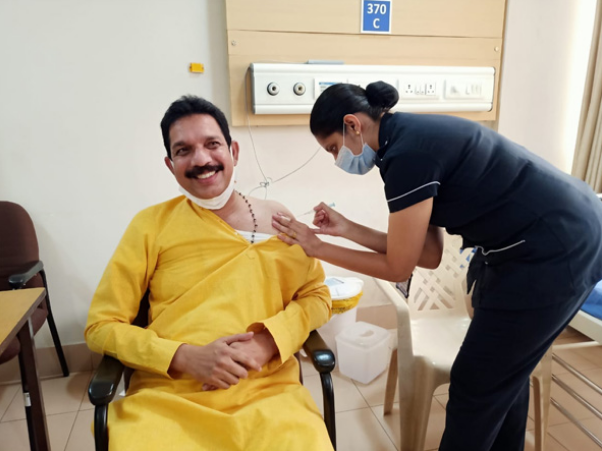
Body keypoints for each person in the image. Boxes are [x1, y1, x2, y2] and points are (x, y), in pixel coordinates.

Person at [272, 81, 602, 451]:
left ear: (352, 124)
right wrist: (346, 229)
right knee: (502, 379)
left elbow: (398, 268)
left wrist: (317, 246)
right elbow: (426, 254)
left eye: (334, 148)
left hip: (555, 248)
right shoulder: (406, 139)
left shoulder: (407, 156)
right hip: (549, 237)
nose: (338, 160)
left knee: (475, 387)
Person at [85, 96, 333, 451]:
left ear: (233, 151)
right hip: (168, 397)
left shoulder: (277, 221)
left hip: (267, 392)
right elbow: (101, 327)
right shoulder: (151, 225)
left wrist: (268, 342)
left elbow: (317, 295)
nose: (201, 160)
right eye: (183, 150)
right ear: (170, 165)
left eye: (212, 144)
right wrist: (184, 357)